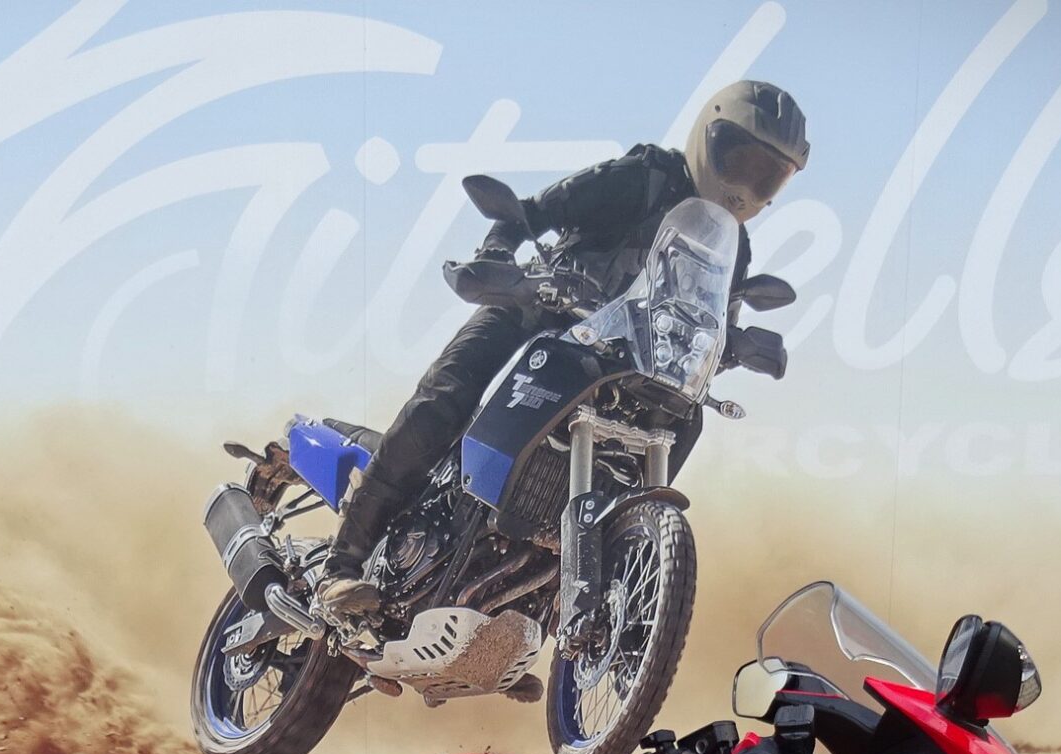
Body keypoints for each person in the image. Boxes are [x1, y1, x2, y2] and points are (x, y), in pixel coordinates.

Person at [314, 81, 811, 627]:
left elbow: (711, 320)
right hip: (538, 312)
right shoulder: (642, 177)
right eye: (740, 160)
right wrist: (497, 257)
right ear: (708, 137)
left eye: (767, 175)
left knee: (685, 418)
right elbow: (529, 214)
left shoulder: (733, 247)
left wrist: (737, 345)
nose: (746, 184)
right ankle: (342, 565)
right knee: (443, 400)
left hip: (621, 363)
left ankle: (572, 603)